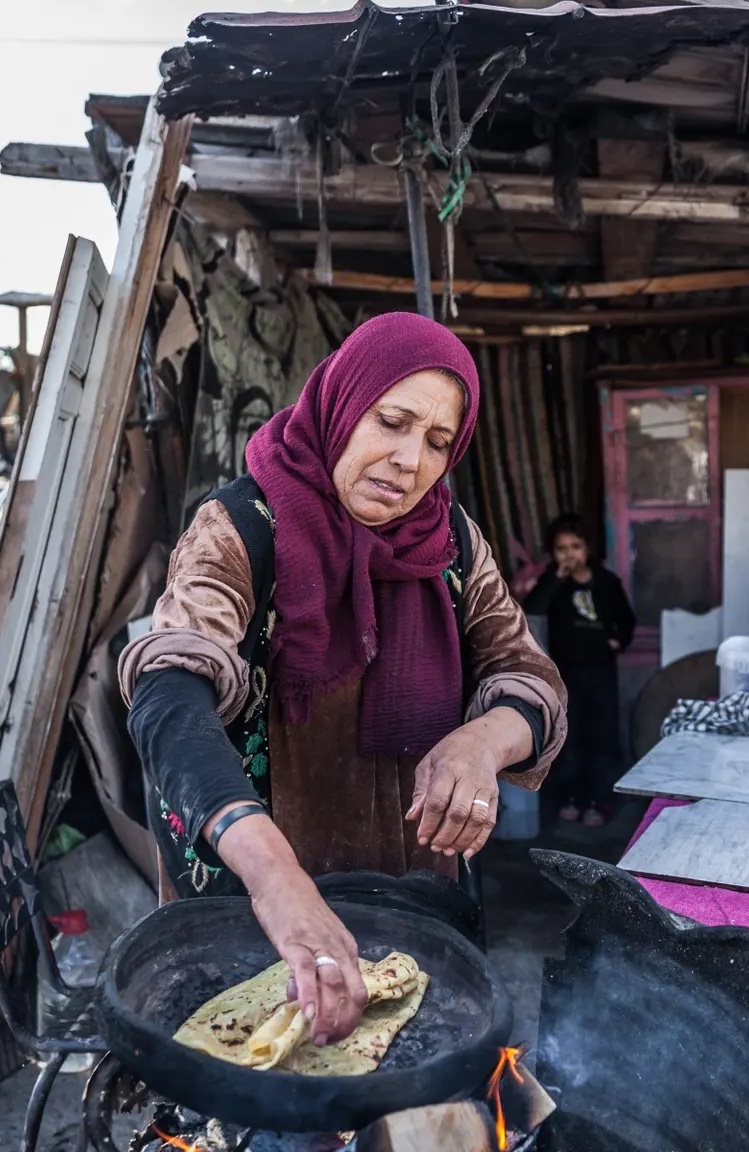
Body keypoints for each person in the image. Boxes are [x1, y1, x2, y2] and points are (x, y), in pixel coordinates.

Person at [118, 311, 566, 1050]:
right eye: (391, 421)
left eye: (437, 441)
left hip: (416, 893)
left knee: (410, 1082)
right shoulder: (240, 530)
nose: (408, 460)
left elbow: (528, 675)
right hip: (255, 908)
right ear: (343, 403)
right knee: (262, 1081)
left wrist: (483, 743)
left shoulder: (450, 542)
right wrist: (276, 879)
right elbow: (169, 694)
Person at [523, 514, 635, 828]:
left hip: (601, 674)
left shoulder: (607, 583)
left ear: (588, 548)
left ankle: (599, 801)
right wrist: (556, 578)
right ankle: (570, 798)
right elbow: (533, 607)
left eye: (576, 546)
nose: (569, 554)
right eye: (562, 548)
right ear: (553, 553)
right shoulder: (554, 584)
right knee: (568, 740)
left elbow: (627, 620)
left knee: (600, 739)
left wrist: (617, 641)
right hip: (566, 675)